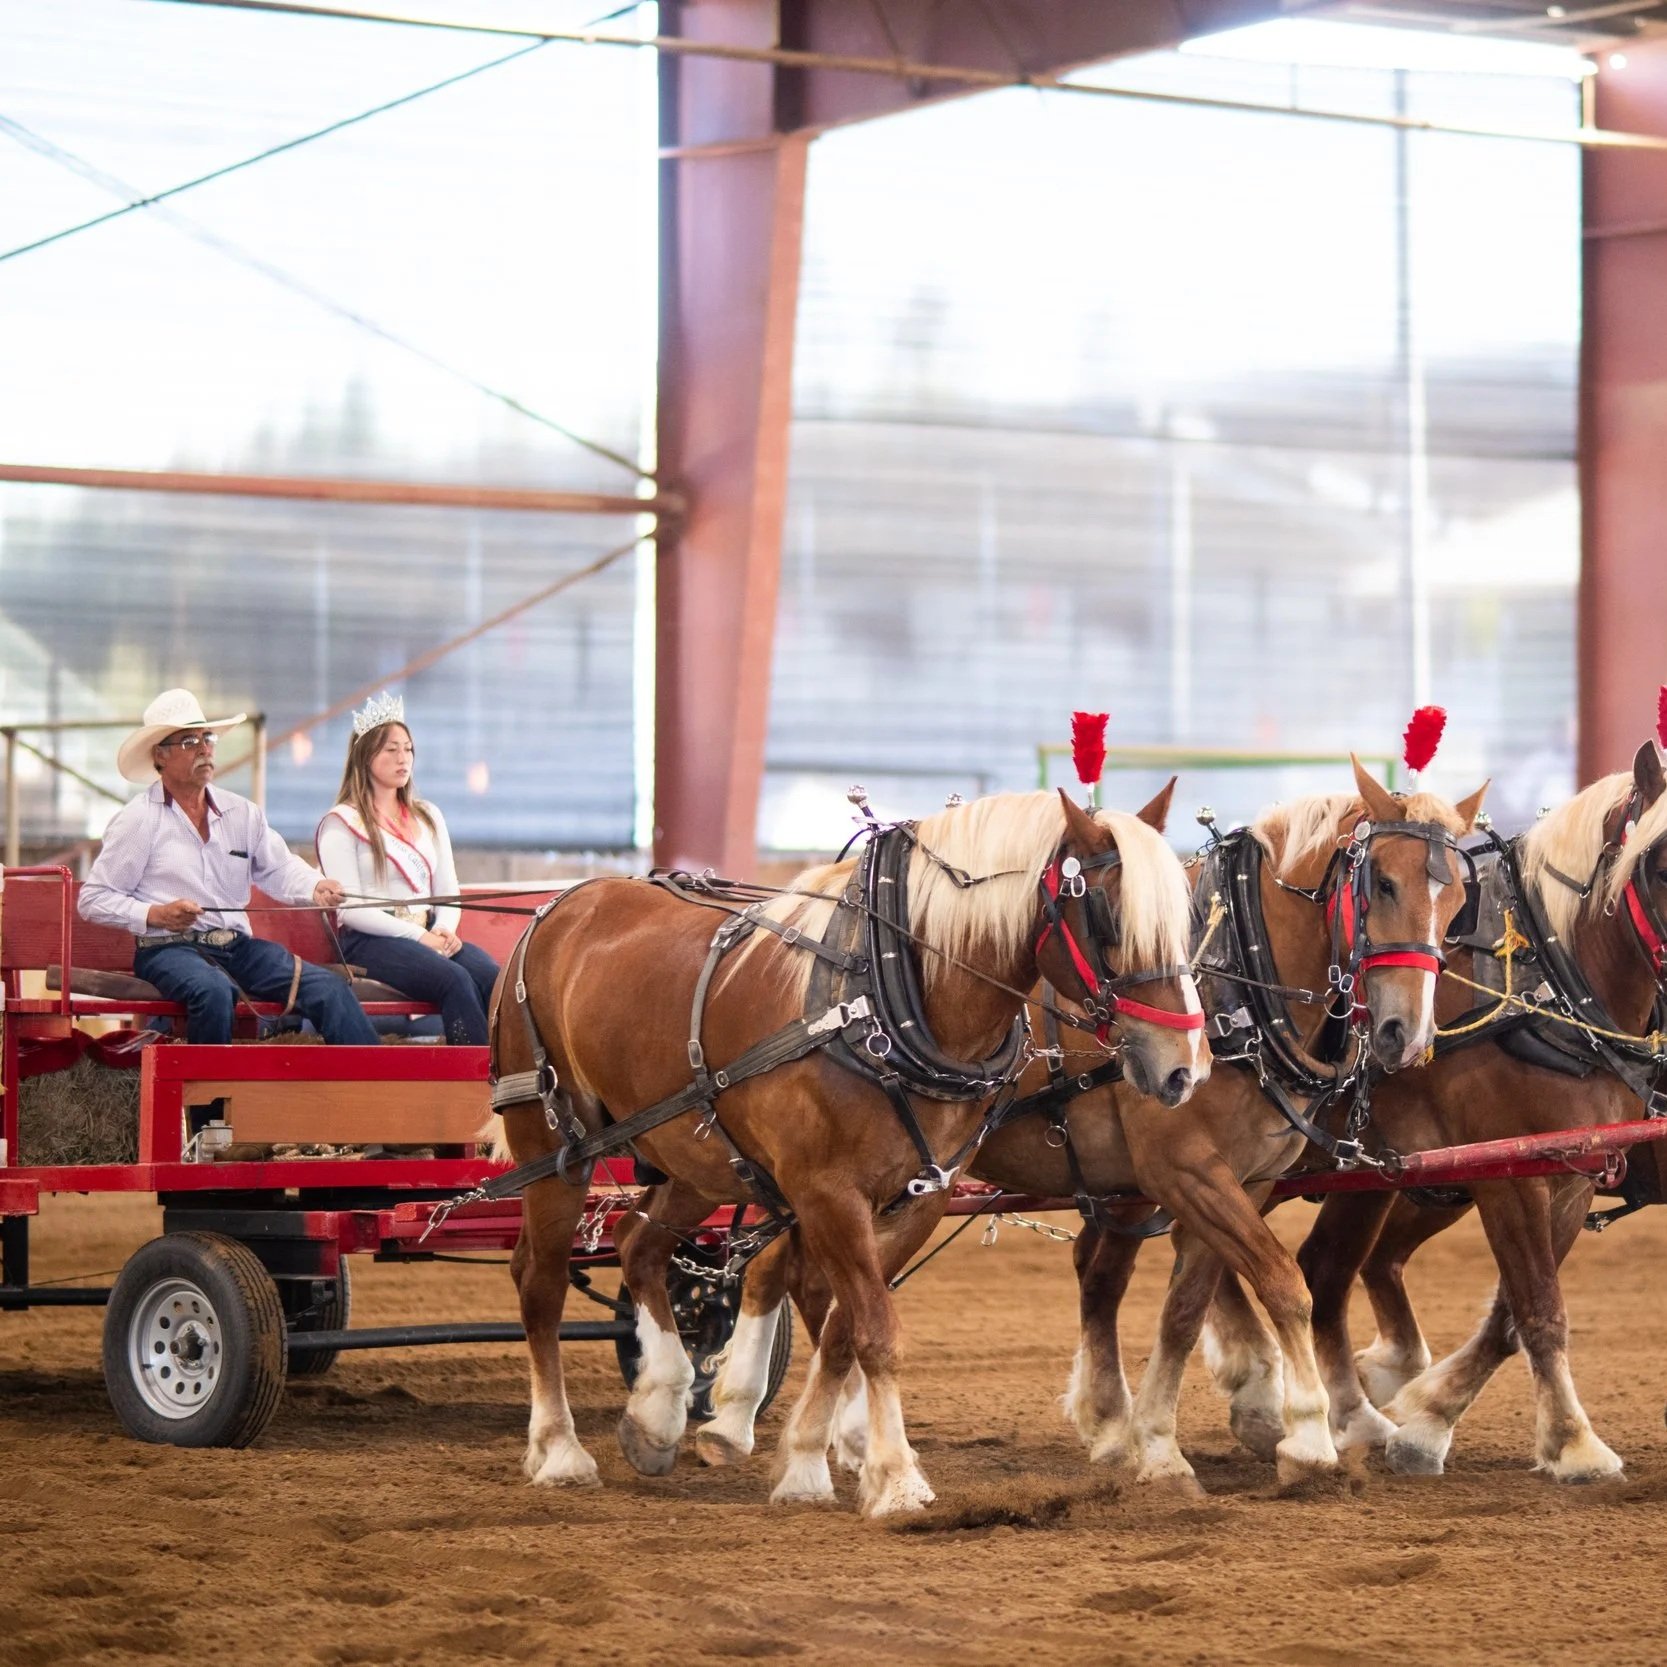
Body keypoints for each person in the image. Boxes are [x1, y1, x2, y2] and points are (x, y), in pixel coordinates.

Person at [80, 688, 381, 1047]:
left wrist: (316, 886)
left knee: (328, 988)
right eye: (190, 741)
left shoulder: (243, 813)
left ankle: (379, 1092)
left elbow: (280, 867)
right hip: (167, 950)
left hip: (237, 948)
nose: (205, 748)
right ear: (160, 756)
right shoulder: (137, 820)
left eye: (207, 738)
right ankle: (212, 1104)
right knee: (213, 992)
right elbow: (93, 898)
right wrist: (155, 914)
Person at [315, 692, 500, 1045]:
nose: (404, 759)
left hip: (428, 930)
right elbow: (351, 910)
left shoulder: (427, 815)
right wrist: (421, 938)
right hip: (370, 940)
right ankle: (469, 1079)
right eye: (392, 750)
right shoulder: (342, 822)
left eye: (409, 749)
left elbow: (448, 887)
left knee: (492, 976)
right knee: (454, 980)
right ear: (366, 756)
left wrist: (443, 929)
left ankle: (509, 1076)